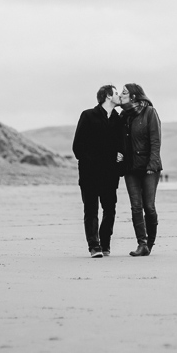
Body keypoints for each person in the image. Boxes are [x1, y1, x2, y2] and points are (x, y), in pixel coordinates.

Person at [72, 85, 124, 258]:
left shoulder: (118, 119)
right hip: (90, 174)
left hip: (110, 174)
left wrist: (121, 156)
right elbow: (77, 146)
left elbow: (121, 146)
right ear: (108, 96)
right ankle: (94, 246)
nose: (119, 96)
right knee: (91, 210)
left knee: (110, 210)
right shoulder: (88, 115)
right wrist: (91, 162)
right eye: (116, 93)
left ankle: (105, 244)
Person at [118, 83, 162, 257]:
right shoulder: (123, 116)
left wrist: (152, 165)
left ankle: (149, 243)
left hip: (149, 166)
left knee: (148, 206)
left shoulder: (150, 112)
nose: (121, 95)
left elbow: (155, 140)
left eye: (124, 93)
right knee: (135, 207)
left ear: (134, 96)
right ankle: (141, 244)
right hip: (130, 167)